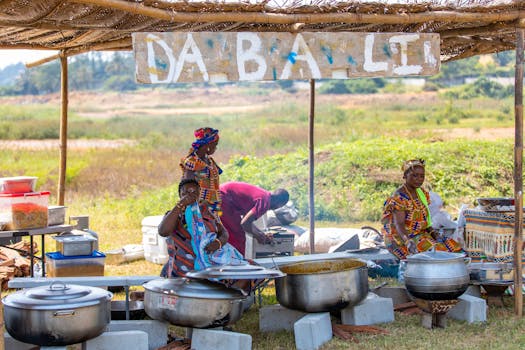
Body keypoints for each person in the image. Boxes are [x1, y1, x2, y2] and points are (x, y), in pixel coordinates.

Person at [158, 178, 247, 278]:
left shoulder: (206, 213)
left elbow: (223, 232)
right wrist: (180, 205)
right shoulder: (175, 215)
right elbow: (163, 231)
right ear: (180, 195)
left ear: (199, 194)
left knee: (245, 270)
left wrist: (218, 243)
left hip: (211, 264)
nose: (190, 195)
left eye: (194, 192)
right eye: (186, 193)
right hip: (183, 269)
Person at [381, 159, 462, 261]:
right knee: (437, 252)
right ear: (405, 176)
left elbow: (425, 219)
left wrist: (433, 233)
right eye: (414, 175)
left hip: (419, 234)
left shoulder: (421, 193)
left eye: (421, 176)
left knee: (454, 247)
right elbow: (399, 225)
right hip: (400, 239)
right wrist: (408, 242)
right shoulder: (399, 198)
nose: (418, 179)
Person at [219, 181, 290, 255]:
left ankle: (229, 258)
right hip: (224, 197)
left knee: (229, 232)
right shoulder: (264, 202)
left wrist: (261, 234)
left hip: (224, 195)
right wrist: (257, 236)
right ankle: (236, 262)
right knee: (238, 235)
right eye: (280, 206)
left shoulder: (264, 196)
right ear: (279, 202)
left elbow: (247, 221)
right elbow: (245, 224)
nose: (276, 209)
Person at [180, 127, 222, 213]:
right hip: (197, 210)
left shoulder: (210, 161)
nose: (216, 148)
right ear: (207, 145)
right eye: (215, 145)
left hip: (212, 209)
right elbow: (187, 189)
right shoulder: (193, 162)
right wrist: (200, 205)